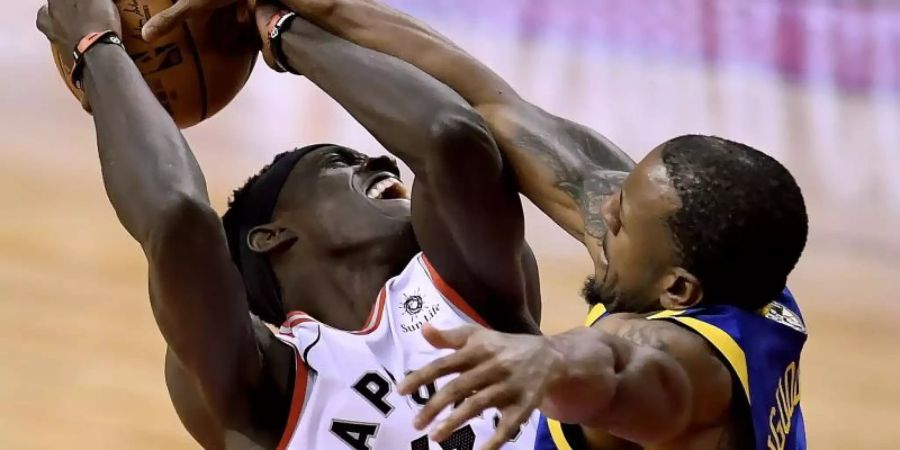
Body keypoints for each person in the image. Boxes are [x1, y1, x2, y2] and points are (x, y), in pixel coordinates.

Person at [143, 1, 810, 449]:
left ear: (680, 290)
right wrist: (284, 19)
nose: (600, 212)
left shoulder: (689, 368)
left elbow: (616, 365)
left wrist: (545, 359)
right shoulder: (723, 253)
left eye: (622, 220)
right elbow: (484, 96)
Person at [36, 0, 544, 449]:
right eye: (339, 163)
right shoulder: (264, 390)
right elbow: (177, 220)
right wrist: (97, 47)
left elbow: (450, 137)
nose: (383, 165)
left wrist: (280, 26)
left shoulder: (472, 292)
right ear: (273, 235)